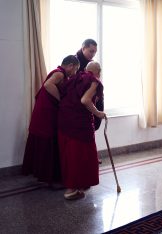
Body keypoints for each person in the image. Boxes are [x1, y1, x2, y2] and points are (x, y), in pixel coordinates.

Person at [22, 55, 80, 184]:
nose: (74, 73)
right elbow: (48, 85)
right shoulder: (59, 73)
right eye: (75, 69)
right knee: (47, 136)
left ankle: (40, 171)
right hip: (46, 111)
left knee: (44, 137)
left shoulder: (59, 73)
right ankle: (46, 173)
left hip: (44, 109)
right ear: (70, 66)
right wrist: (60, 100)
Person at [58, 61, 106, 200]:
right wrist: (98, 113)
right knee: (79, 156)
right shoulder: (93, 80)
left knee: (69, 155)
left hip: (64, 121)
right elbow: (85, 100)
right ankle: (71, 189)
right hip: (79, 124)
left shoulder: (75, 78)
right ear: (98, 72)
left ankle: (78, 184)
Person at [76, 39, 103, 163]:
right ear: (83, 48)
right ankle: (87, 158)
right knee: (84, 132)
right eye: (91, 51)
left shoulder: (91, 63)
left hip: (93, 99)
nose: (93, 54)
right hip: (82, 103)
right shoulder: (75, 62)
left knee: (92, 128)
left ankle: (91, 155)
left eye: (95, 52)